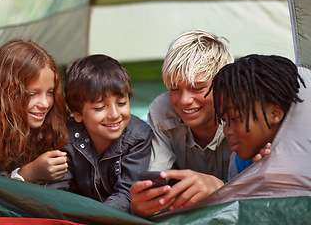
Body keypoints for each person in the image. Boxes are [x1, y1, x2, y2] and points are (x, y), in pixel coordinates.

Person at [130, 30, 235, 217]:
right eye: (175, 89)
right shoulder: (162, 112)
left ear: (223, 85)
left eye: (197, 88)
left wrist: (219, 188)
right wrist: (142, 203)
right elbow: (155, 175)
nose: (185, 100)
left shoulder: (244, 117)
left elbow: (260, 192)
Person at [48, 54, 152, 212]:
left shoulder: (139, 137)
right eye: (100, 107)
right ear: (77, 114)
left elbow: (127, 194)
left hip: (116, 217)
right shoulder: (66, 137)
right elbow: (58, 191)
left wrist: (95, 217)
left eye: (122, 103)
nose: (115, 114)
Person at [0, 39, 69, 184]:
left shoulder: (55, 123)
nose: (44, 104)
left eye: (50, 92)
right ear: (6, 94)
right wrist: (29, 173)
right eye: (32, 94)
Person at [211, 54, 305, 166]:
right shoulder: (241, 161)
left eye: (234, 117)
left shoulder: (300, 161)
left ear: (275, 113)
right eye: (225, 121)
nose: (226, 131)